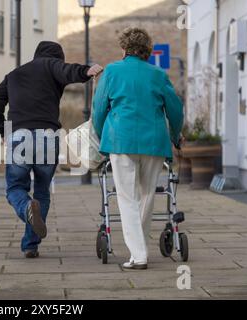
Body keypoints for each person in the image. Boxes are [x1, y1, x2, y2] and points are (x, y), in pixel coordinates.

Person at [0, 41, 103, 258]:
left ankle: (25, 209)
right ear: (56, 58)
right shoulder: (52, 66)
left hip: (18, 136)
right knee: (42, 191)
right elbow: (67, 71)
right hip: (47, 137)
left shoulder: (14, 74)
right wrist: (86, 71)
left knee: (15, 188)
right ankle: (31, 244)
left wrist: (3, 129)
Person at [92, 28, 184, 270]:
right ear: (147, 50)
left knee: (127, 198)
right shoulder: (158, 74)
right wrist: (176, 136)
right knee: (147, 195)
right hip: (154, 142)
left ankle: (139, 254)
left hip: (121, 141)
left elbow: (99, 108)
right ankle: (140, 248)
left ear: (124, 49)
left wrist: (103, 137)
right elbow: (175, 110)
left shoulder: (112, 71)